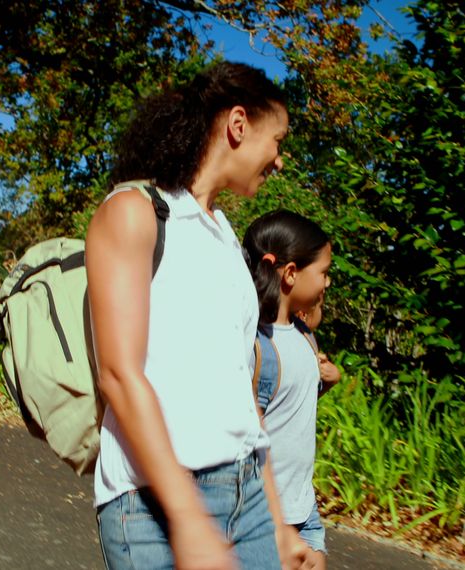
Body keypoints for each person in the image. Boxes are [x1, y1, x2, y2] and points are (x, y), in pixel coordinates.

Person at [85, 61, 307, 570]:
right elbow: (119, 374)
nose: (279, 161)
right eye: (278, 140)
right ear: (237, 125)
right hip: (154, 505)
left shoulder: (226, 234)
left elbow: (242, 390)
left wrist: (275, 519)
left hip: (245, 495)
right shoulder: (133, 212)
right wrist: (187, 518)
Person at [243, 210, 336, 569]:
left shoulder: (303, 337)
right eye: (323, 273)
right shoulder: (258, 346)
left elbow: (290, 408)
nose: (326, 283)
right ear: (291, 273)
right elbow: (251, 433)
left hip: (303, 505)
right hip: (267, 512)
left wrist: (325, 381)